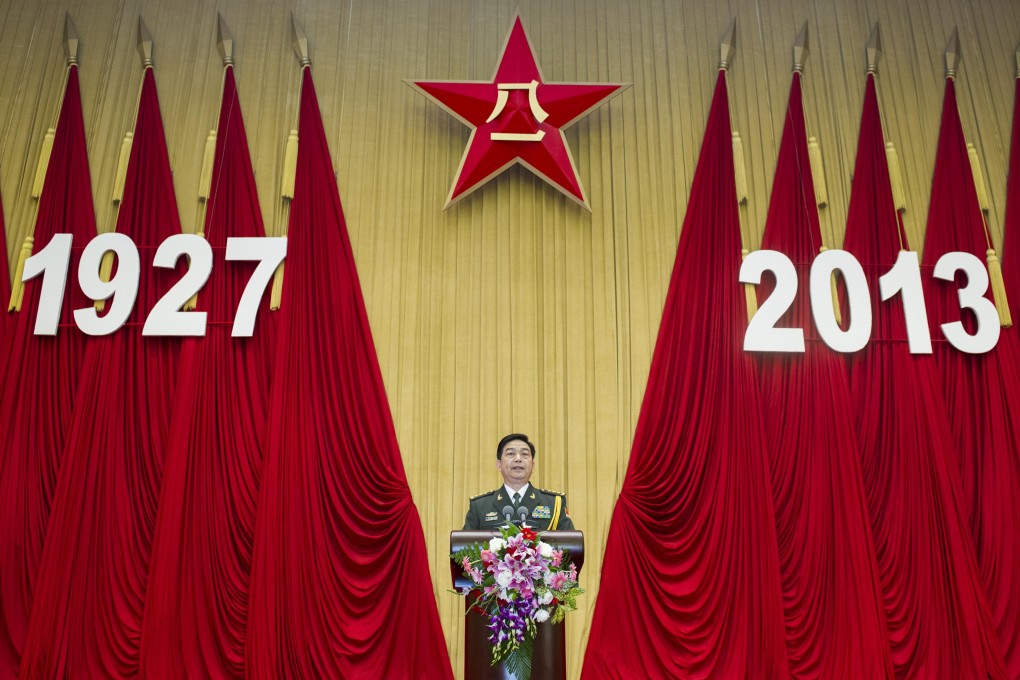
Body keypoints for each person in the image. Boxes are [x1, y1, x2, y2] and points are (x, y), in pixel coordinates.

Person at [462, 433, 574, 531]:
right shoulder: (480, 506)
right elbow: (462, 550)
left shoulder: (554, 503)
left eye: (524, 454)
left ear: (532, 465)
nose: (518, 459)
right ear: (499, 465)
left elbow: (572, 547)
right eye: (510, 454)